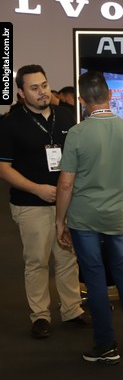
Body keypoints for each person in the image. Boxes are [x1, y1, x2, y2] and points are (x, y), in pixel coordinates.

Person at [55, 71, 123, 364]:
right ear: (109, 95)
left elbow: (66, 183)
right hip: (117, 217)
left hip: (84, 219)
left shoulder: (77, 133)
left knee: (95, 278)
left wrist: (60, 221)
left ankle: (106, 345)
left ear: (81, 100)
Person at [0, 64, 88, 339]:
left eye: (44, 85)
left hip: (67, 201)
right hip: (30, 203)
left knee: (68, 258)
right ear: (21, 93)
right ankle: (40, 315)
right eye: (34, 88)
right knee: (37, 260)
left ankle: (72, 309)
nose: (42, 92)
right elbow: (3, 168)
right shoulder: (10, 123)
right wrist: (37, 189)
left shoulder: (66, 116)